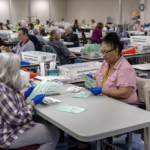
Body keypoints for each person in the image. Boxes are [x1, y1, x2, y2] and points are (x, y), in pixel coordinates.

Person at [69, 32, 138, 150]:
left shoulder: (125, 69)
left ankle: (87, 144)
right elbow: (98, 76)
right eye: (102, 52)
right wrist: (91, 78)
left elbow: (124, 93)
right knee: (79, 108)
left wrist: (102, 90)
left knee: (88, 114)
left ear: (116, 51)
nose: (103, 55)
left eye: (106, 52)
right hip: (105, 102)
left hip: (123, 108)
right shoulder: (106, 64)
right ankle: (85, 142)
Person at [0, 52, 60, 150]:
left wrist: (24, 94)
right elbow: (15, 118)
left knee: (40, 120)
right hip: (7, 135)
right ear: (10, 70)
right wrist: (32, 103)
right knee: (53, 133)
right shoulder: (2, 89)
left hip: (8, 126)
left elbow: (9, 100)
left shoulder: (5, 84)